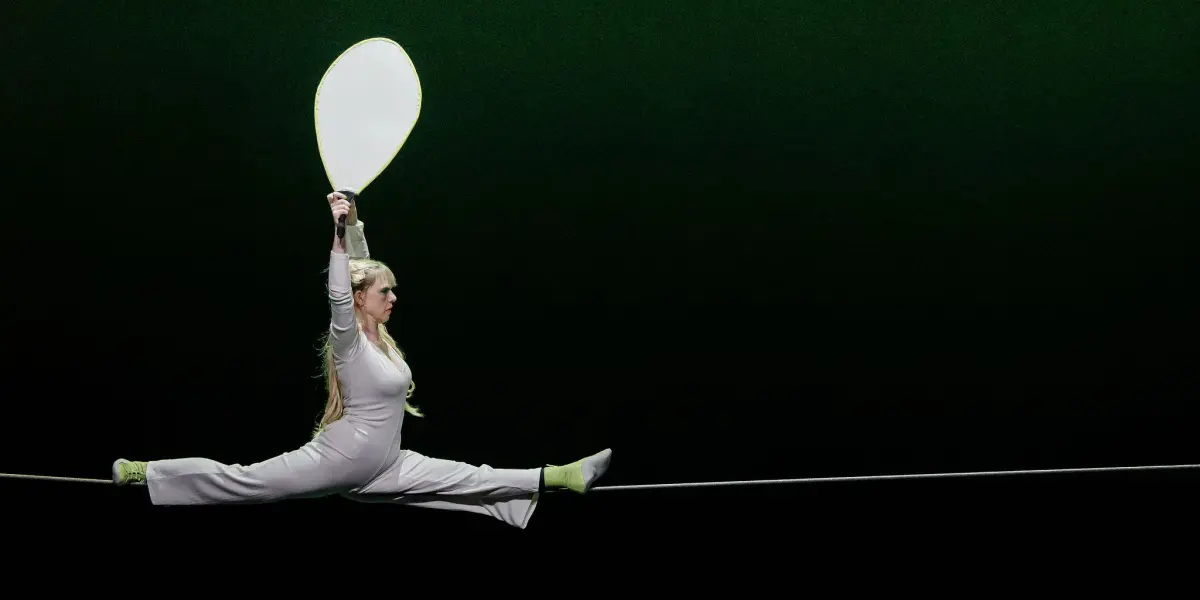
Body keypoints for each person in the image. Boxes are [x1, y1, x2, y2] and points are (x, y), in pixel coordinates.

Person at [110, 191, 611, 529]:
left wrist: (354, 222)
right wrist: (337, 229)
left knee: (470, 477)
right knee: (245, 481)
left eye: (393, 289)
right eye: (384, 290)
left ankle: (561, 476)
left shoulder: (385, 342)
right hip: (340, 461)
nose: (393, 296)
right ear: (359, 298)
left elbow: (361, 264)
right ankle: (145, 472)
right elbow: (340, 286)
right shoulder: (348, 339)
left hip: (386, 467)